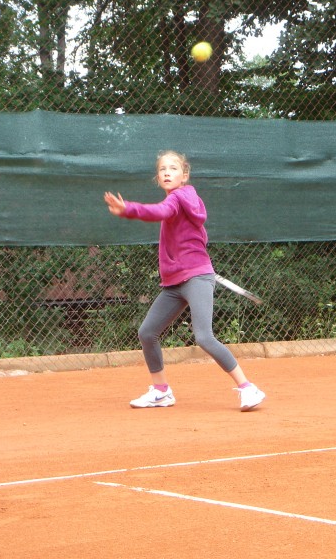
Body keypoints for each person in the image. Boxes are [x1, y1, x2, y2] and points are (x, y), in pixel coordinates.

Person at [104, 150, 266, 412]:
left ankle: (248, 388)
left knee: (204, 337)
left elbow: (160, 211)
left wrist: (129, 209)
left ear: (184, 175)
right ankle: (161, 392)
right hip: (174, 282)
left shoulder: (179, 198)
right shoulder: (180, 200)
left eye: (173, 168)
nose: (167, 173)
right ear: (158, 177)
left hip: (196, 278)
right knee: (147, 332)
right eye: (163, 169)